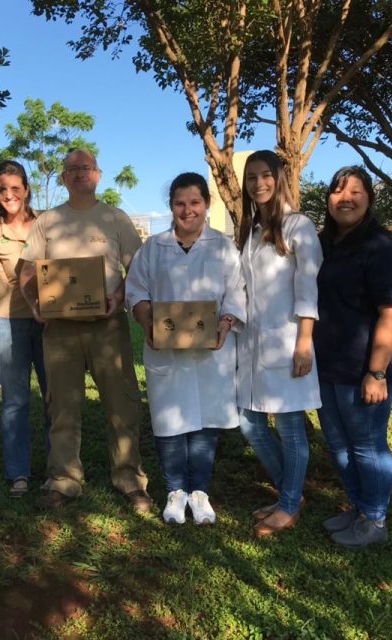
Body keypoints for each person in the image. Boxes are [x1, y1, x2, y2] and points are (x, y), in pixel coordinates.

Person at [18, 148, 152, 513]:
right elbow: (27, 271)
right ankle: (63, 480)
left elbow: (137, 270)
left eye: (86, 168)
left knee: (121, 404)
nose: (79, 174)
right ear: (63, 177)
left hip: (107, 327)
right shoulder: (47, 222)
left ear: (98, 175)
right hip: (60, 330)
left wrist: (119, 297)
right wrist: (35, 306)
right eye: (72, 169)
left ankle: (129, 479)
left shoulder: (115, 218)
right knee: (62, 407)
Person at [126, 172, 245, 525]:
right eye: (180, 203)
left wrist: (225, 323)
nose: (187, 210)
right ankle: (176, 492)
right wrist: (147, 321)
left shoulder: (223, 247)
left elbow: (237, 291)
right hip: (167, 352)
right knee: (171, 422)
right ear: (171, 207)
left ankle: (200, 492)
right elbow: (137, 290)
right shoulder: (154, 248)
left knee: (207, 421)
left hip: (213, 352)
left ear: (207, 204)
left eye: (195, 202)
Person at [313, 167, 392, 548]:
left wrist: (377, 372)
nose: (345, 198)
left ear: (369, 198)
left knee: (368, 445)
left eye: (355, 191)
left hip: (364, 368)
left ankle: (375, 518)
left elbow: (390, 312)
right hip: (326, 364)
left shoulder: (381, 245)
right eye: (337, 191)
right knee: (337, 443)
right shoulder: (322, 244)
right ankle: (360, 505)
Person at [236, 150, 323, 537]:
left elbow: (308, 287)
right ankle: (290, 492)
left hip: (289, 341)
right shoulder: (252, 231)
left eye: (266, 175)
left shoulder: (298, 226)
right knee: (249, 422)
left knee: (289, 427)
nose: (259, 183)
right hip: (252, 345)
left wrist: (304, 341)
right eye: (252, 177)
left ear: (280, 178)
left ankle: (289, 503)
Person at [0, 160, 50, 498]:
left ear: (26, 189)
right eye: (1, 189)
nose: (9, 195)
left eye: (15, 188)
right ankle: (18, 473)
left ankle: (59, 469)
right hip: (9, 321)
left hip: (51, 321)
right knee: (15, 400)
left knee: (56, 396)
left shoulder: (47, 225)